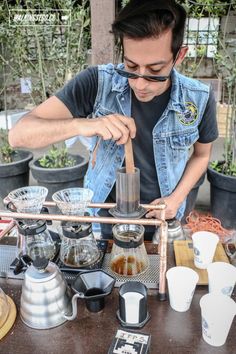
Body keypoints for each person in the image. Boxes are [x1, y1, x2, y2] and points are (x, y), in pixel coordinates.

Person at [8, 0, 218, 240]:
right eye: (131, 66)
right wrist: (84, 124)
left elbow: (202, 155)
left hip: (163, 219)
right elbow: (18, 135)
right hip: (103, 219)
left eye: (155, 71)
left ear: (179, 55)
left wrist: (176, 198)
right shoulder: (97, 83)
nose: (139, 84)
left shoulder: (198, 98)